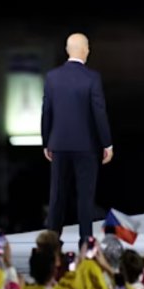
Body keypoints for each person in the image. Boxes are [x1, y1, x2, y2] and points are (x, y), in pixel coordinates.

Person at [42, 33, 113, 241]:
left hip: (59, 144)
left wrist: (47, 142)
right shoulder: (92, 78)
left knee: (57, 196)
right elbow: (99, 112)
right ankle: (85, 244)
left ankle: (51, 243)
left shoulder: (52, 77)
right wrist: (107, 143)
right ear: (84, 50)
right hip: (86, 146)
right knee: (85, 198)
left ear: (67, 50)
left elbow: (46, 112)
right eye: (88, 47)